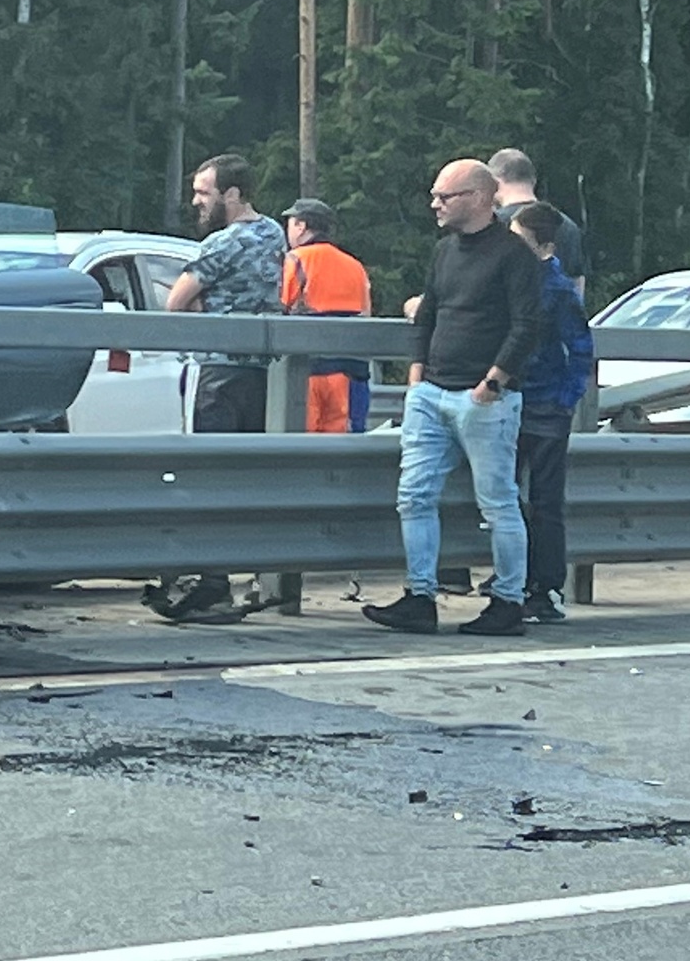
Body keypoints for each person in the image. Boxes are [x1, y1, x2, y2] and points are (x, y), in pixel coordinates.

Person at [362, 159, 546, 638]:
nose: (435, 204)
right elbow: (428, 314)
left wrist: (492, 384)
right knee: (414, 495)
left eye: (446, 196)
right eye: (435, 195)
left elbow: (528, 325)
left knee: (498, 502)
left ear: (480, 198)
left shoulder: (514, 255)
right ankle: (420, 596)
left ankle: (508, 601)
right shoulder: (445, 251)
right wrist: (417, 378)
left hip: (483, 398)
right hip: (432, 394)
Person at [148, 153, 285, 621]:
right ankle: (247, 577)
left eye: (204, 193)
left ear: (232, 194)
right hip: (260, 372)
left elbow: (175, 303)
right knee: (244, 476)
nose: (196, 202)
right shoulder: (274, 233)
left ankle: (211, 582)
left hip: (218, 371)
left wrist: (204, 304)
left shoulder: (222, 243)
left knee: (207, 474)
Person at [510, 200, 593, 624]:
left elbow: (581, 349)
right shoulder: (520, 280)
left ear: (539, 242)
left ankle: (545, 587)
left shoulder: (557, 289)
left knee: (543, 501)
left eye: (518, 236)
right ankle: (516, 579)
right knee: (509, 499)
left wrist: (566, 400)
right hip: (514, 401)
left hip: (544, 405)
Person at [278, 198, 373, 433]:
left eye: (290, 224)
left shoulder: (295, 260)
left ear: (301, 226)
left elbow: (281, 310)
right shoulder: (355, 266)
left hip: (308, 372)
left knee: (302, 449)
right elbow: (367, 315)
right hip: (351, 374)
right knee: (344, 453)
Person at [489, 148, 585, 298]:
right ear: (533, 181)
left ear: (495, 182)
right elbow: (576, 283)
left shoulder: (490, 225)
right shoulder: (567, 225)